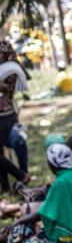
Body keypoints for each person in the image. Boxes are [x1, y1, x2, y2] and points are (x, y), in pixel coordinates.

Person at [0, 143, 72, 243]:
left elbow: (41, 214)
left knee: (28, 230)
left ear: (52, 164)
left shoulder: (60, 183)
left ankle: (8, 218)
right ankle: (9, 211)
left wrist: (17, 222)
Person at [0, 40, 31, 192]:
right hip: (4, 116)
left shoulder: (12, 69)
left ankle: (22, 175)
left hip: (6, 117)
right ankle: (5, 187)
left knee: (18, 142)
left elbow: (7, 88)